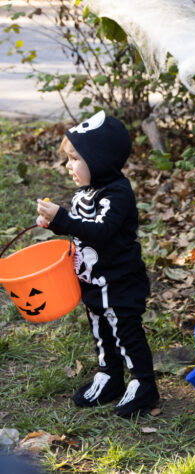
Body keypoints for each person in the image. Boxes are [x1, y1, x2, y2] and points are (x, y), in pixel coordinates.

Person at [36, 111, 159, 418]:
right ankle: (110, 374)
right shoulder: (85, 192)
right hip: (93, 281)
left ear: (99, 159)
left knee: (125, 332)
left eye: (75, 159)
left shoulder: (117, 194)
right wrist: (55, 225)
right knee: (101, 329)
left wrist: (62, 219)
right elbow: (80, 225)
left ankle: (143, 384)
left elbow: (102, 231)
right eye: (68, 158)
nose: (68, 166)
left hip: (119, 282)